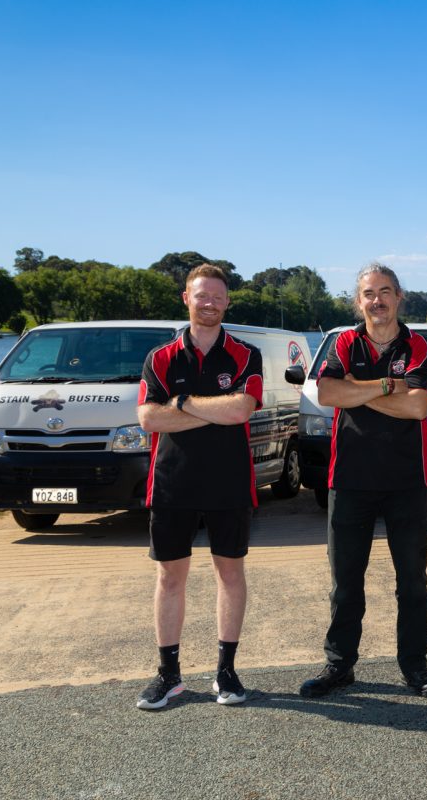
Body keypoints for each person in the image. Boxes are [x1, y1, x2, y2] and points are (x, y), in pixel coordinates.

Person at [299, 263, 427, 698]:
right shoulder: (344, 342)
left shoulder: (420, 345)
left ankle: (415, 667)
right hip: (349, 480)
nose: (376, 300)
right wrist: (387, 386)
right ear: (358, 301)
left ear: (400, 296)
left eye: (384, 291)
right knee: (345, 582)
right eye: (368, 293)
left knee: (412, 582)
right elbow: (327, 394)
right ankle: (339, 665)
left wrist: (357, 391)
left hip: (406, 481)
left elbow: (419, 408)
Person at [136, 264, 263, 709]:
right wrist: (215, 409)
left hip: (230, 483)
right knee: (170, 577)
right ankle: (168, 675)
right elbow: (150, 418)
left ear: (227, 302)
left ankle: (225, 673)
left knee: (230, 575)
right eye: (200, 295)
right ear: (186, 299)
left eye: (216, 296)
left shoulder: (246, 354)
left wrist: (184, 403)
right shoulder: (161, 358)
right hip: (173, 483)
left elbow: (242, 410)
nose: (208, 303)